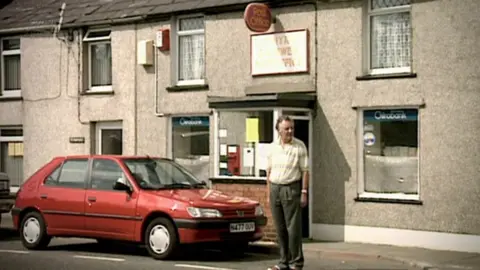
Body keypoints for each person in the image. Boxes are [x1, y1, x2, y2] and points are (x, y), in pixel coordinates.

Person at [266, 115, 309, 270]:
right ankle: (283, 261)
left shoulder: (299, 146)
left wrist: (304, 192)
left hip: (291, 188)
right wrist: (268, 193)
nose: (290, 131)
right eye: (286, 129)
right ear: (279, 130)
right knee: (280, 228)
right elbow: (269, 171)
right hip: (275, 188)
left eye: (292, 128)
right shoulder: (272, 147)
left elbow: (305, 171)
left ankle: (296, 262)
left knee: (293, 228)